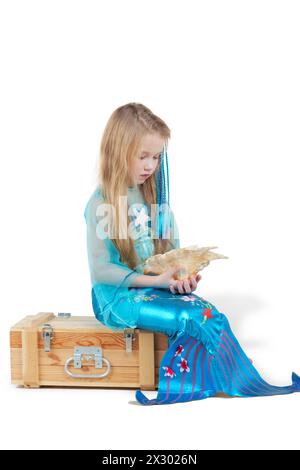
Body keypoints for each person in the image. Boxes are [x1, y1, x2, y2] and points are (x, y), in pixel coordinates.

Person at [84, 102, 300, 405]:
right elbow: (102, 271)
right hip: (116, 299)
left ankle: (231, 379)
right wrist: (158, 283)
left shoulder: (153, 197)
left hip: (151, 288)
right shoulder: (101, 204)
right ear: (118, 151)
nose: (150, 166)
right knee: (190, 316)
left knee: (210, 313)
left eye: (157, 157)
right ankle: (204, 383)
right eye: (142, 156)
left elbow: (170, 253)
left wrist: (178, 281)